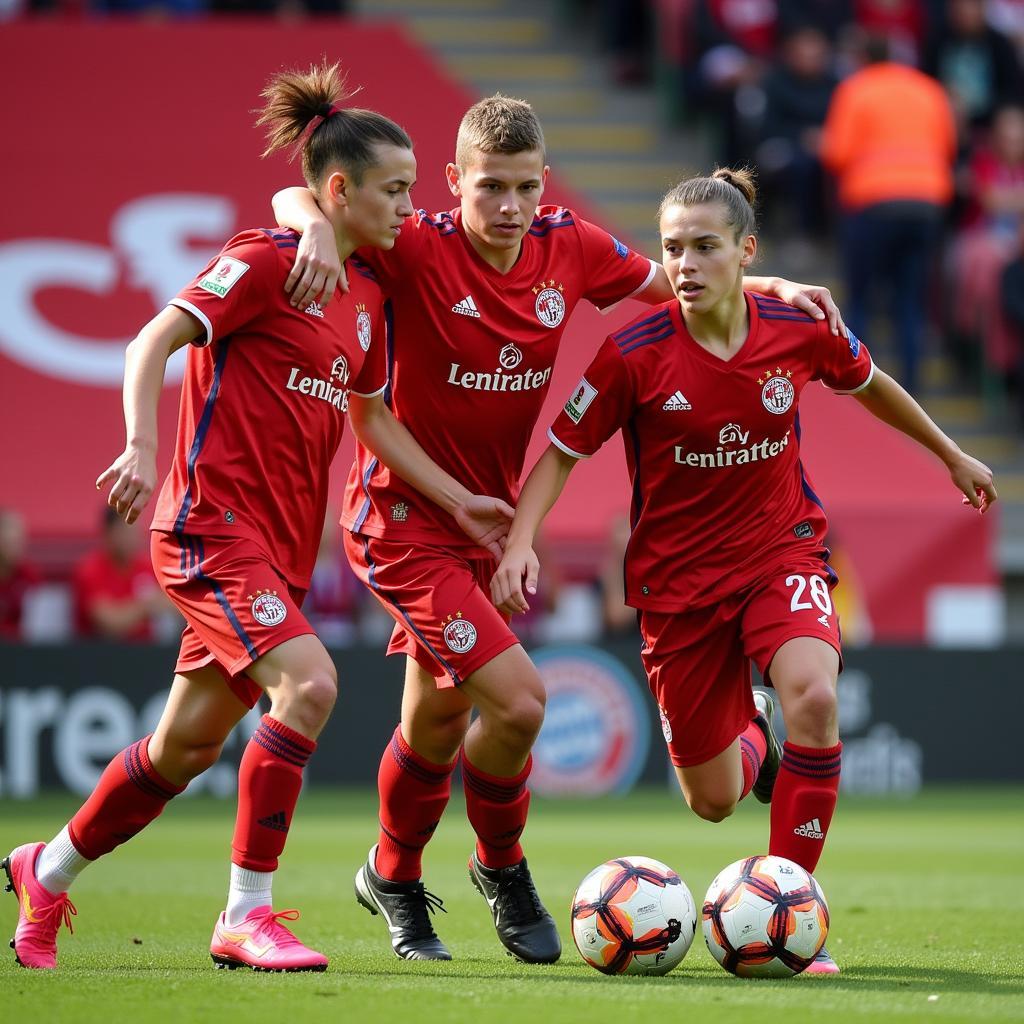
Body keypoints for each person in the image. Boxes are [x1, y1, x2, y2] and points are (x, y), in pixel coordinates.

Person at [273, 95, 849, 965]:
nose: (511, 207)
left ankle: (389, 873)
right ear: (452, 181)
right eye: (492, 187)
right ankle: (501, 869)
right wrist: (308, 222)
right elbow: (315, 201)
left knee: (435, 722)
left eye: (528, 187)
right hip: (401, 517)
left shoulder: (570, 246)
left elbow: (680, 284)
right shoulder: (413, 244)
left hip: (486, 518)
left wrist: (766, 285)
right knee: (520, 701)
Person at [3, 61, 513, 974]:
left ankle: (47, 867)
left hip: (273, 556)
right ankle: (246, 913)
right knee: (310, 686)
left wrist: (454, 497)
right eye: (395, 189)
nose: (408, 207)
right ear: (340, 189)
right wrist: (140, 446)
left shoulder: (362, 298)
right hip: (207, 527)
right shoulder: (269, 261)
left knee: (182, 747)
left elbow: (372, 419)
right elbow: (149, 338)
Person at [490, 167, 997, 976]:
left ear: (745, 250)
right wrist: (521, 543)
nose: (684, 264)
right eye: (672, 249)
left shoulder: (797, 328)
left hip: (780, 551)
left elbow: (872, 385)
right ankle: (756, 736)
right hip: (678, 589)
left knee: (818, 697)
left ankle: (795, 913)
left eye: (703, 247)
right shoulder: (634, 353)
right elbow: (559, 453)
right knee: (713, 800)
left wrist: (950, 454)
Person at [820, 32, 957, 393]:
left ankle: (857, 384)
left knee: (861, 296)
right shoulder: (929, 89)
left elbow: (836, 153)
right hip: (927, 203)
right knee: (910, 299)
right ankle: (912, 387)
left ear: (863, 58)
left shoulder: (855, 89)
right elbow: (948, 146)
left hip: (872, 202)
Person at [72, 505, 168, 642]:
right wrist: (147, 606)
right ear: (108, 533)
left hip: (146, 652)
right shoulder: (89, 570)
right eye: (125, 531)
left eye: (135, 531)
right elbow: (108, 622)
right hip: (99, 656)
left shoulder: (147, 566)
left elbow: (175, 604)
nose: (132, 538)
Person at [0, 508, 42, 640]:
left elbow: (38, 621)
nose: (15, 548)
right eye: (9, 543)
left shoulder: (29, 575)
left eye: (18, 542)